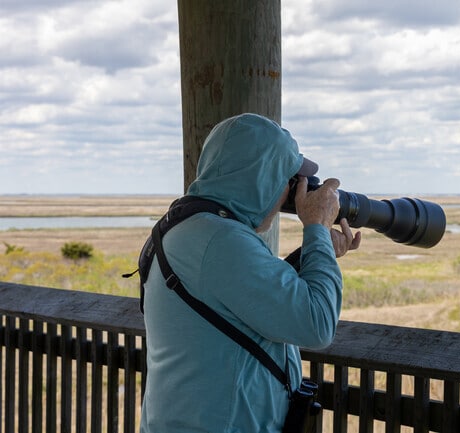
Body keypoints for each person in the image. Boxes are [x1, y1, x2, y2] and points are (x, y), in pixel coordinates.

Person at [139, 113, 361, 433]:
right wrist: (315, 225)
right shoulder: (221, 240)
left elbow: (246, 293)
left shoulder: (186, 227)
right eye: (287, 181)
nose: (288, 193)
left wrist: (319, 248)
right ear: (263, 178)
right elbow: (316, 323)